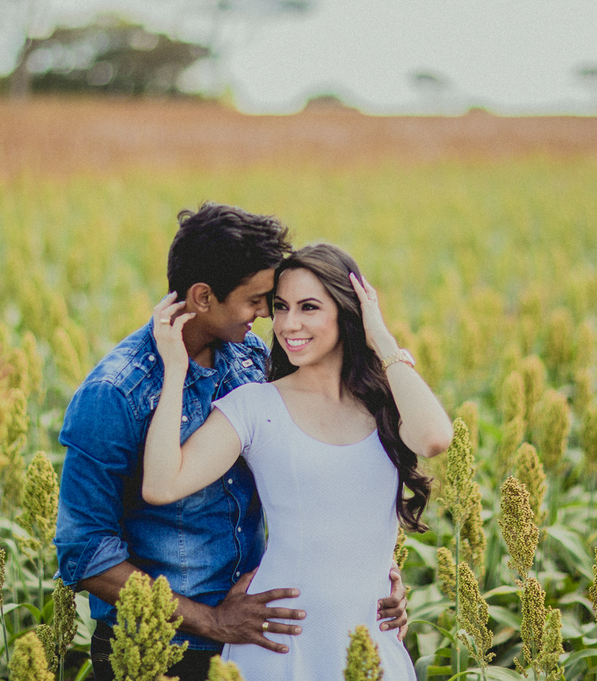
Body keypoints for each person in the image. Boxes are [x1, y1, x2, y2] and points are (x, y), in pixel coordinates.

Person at [54, 204, 407, 681]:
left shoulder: (250, 358)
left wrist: (368, 578)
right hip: (157, 650)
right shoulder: (114, 394)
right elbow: (85, 554)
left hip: (256, 639)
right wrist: (213, 621)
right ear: (203, 296)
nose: (268, 315)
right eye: (258, 300)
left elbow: (313, 475)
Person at [144, 243, 454, 681]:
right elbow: (161, 483)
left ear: (347, 312)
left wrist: (381, 338)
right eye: (281, 307)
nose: (290, 324)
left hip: (373, 640)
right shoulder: (256, 406)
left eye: (309, 307)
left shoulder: (385, 401)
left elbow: (435, 438)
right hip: (282, 644)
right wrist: (174, 367)